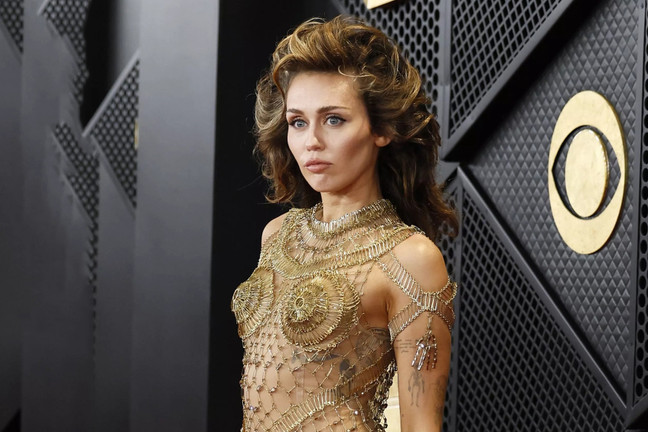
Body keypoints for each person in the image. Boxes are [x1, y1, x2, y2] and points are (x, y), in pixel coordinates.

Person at [231, 15, 458, 432]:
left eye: (333, 119)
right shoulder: (277, 235)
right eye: (298, 122)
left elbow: (422, 424)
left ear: (381, 128)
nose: (311, 141)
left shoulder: (411, 258)